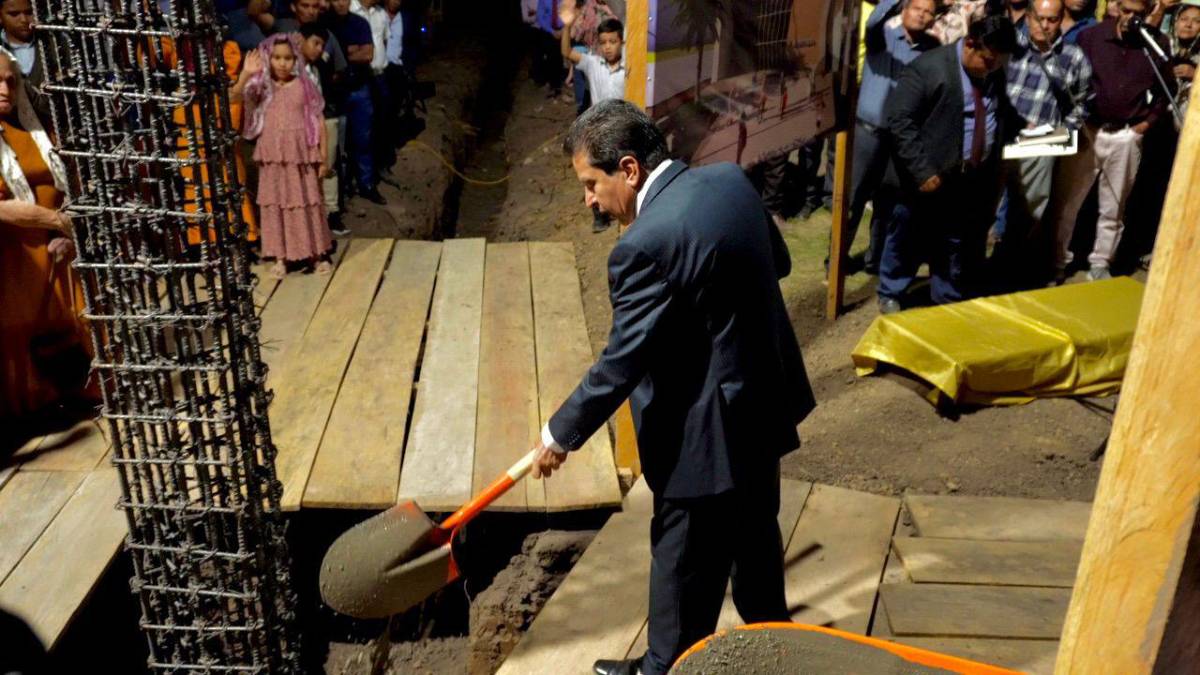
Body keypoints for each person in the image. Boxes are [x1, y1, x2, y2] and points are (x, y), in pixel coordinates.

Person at [529, 99, 816, 675]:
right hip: (761, 400)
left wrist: (560, 433)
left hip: (703, 433)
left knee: (684, 564)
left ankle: (664, 669)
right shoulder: (729, 180)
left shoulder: (645, 243)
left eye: (591, 184)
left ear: (629, 169)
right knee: (757, 542)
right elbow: (777, 263)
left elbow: (622, 360)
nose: (589, 200)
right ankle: (775, 655)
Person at [878, 15, 1020, 312]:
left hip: (967, 176)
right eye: (989, 61)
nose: (994, 67)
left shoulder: (992, 70)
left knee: (953, 239)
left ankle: (945, 295)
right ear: (970, 45)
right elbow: (900, 121)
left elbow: (995, 109)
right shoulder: (928, 69)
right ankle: (891, 290)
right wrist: (922, 171)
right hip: (927, 175)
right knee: (908, 234)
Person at [1049, 0, 1174, 281]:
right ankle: (1057, 261)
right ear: (1117, 7)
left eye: (1139, 14)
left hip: (1126, 134)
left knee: (1114, 206)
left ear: (1149, 13)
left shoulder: (1156, 43)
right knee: (1068, 202)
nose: (1131, 18)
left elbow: (1168, 89)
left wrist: (1145, 125)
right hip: (1089, 130)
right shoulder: (1092, 36)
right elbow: (1069, 76)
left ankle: (1101, 262)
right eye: (1127, 10)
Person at [0, 50, 93, 420]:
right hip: (15, 257)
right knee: (21, 334)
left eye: (10, 79)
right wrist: (56, 220)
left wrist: (70, 226)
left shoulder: (32, 123)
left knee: (72, 323)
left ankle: (79, 391)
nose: (4, 88)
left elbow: (71, 177)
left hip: (58, 248)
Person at [993, 0, 1091, 287]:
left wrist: (1062, 130)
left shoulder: (1074, 57)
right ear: (1029, 16)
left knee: (1028, 214)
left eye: (1052, 19)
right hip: (1002, 139)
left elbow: (1083, 103)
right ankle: (971, 271)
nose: (1045, 26)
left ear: (1062, 19)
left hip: (1040, 147)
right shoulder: (1009, 45)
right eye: (1040, 19)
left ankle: (1009, 272)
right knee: (983, 206)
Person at [840, 0, 938, 275]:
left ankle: (875, 260)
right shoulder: (881, 37)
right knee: (852, 201)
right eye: (917, 8)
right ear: (904, 10)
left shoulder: (931, 49)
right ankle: (835, 261)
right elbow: (871, 21)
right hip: (868, 133)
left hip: (900, 141)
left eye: (929, 11)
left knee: (888, 204)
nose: (922, 15)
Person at [242, 33, 333, 278]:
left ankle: (316, 254)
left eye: (288, 58)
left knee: (306, 201)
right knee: (277, 204)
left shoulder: (305, 85)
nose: (282, 63)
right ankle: (280, 257)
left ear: (296, 60)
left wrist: (323, 156)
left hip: (300, 154)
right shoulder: (261, 86)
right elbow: (239, 97)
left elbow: (319, 119)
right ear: (268, 59)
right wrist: (246, 74)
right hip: (273, 155)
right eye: (277, 58)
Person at [560, 5, 625, 232]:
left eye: (613, 42)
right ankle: (599, 215)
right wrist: (568, 25)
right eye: (603, 42)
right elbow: (567, 52)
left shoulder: (629, 68)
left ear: (621, 43)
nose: (607, 47)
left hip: (622, 128)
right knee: (594, 170)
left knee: (622, 173)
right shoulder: (592, 63)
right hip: (599, 130)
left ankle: (624, 212)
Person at [327, 0, 387, 204]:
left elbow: (368, 54)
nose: (341, 3)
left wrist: (341, 55)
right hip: (336, 94)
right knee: (337, 146)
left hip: (360, 89)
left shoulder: (360, 23)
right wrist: (352, 52)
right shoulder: (326, 25)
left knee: (364, 140)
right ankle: (341, 191)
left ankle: (366, 185)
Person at [300, 23, 350, 236]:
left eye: (322, 45)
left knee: (327, 166)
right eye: (315, 43)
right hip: (299, 129)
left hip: (321, 121)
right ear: (301, 40)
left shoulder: (317, 68)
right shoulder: (291, 70)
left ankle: (331, 214)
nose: (319, 49)